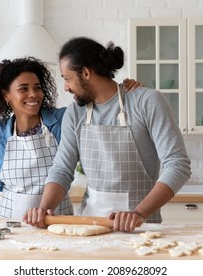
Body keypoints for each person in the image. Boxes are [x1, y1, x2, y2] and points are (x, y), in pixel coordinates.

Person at [0, 57, 140, 219]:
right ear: (6, 95)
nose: (33, 94)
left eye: (37, 87)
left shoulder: (61, 119)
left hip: (56, 219)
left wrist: (124, 91)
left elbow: (99, 103)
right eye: (23, 88)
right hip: (11, 222)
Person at [24, 37, 191, 231]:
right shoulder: (75, 113)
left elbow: (178, 165)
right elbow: (62, 169)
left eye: (67, 78)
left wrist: (138, 214)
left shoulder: (146, 101)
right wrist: (44, 209)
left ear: (85, 73)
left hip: (141, 228)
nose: (66, 87)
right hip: (88, 227)